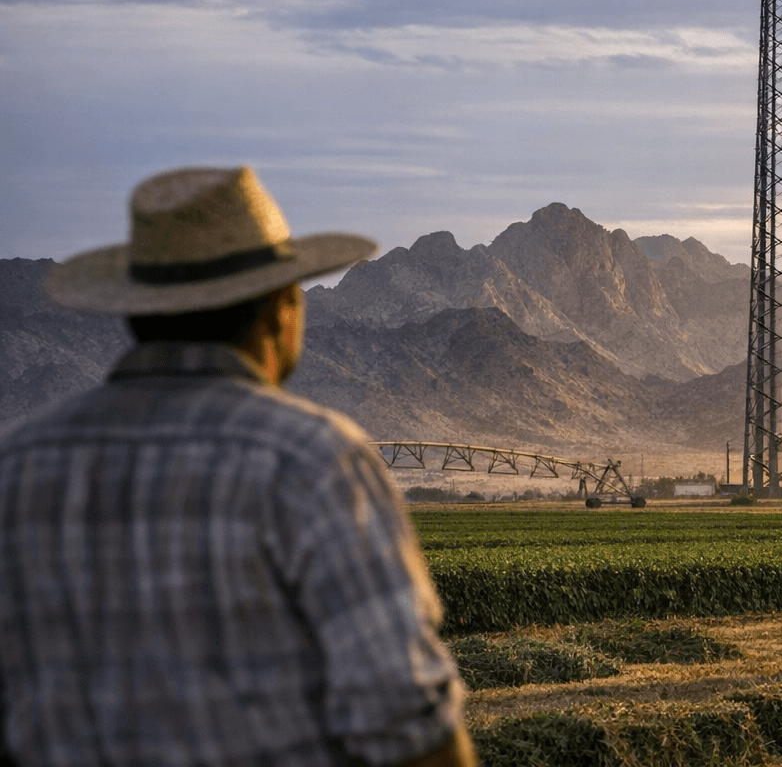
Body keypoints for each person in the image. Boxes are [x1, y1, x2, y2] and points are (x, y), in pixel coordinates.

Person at [0, 166, 474, 767]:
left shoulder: (18, 468)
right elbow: (409, 727)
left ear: (136, 312)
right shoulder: (310, 460)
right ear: (283, 309)